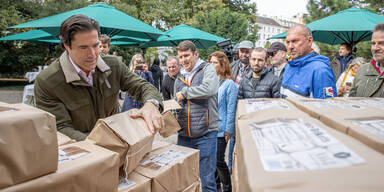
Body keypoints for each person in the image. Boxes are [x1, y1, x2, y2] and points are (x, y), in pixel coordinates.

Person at [34, 15, 163, 141]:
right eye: (83, 47)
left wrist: (152, 104)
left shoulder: (114, 65)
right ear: (67, 46)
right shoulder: (47, 81)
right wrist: (103, 145)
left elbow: (143, 87)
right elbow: (60, 128)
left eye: (96, 45)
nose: (92, 54)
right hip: (80, 153)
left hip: (116, 143)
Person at [174, 40, 219, 192]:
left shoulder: (208, 69)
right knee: (185, 180)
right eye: (180, 57)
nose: (183, 60)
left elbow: (210, 89)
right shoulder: (179, 76)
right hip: (184, 136)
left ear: (196, 54)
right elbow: (176, 103)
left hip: (205, 134)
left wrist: (185, 93)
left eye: (186, 55)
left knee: (207, 181)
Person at [281, 24, 336, 99]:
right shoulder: (289, 65)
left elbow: (327, 107)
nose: (290, 46)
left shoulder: (320, 70)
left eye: (295, 41)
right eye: (287, 42)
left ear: (309, 41)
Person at [208, 51, 237, 192]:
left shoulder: (229, 84)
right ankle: (216, 186)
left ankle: (227, 188)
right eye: (210, 62)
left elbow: (231, 108)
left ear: (222, 64)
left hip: (222, 129)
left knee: (219, 160)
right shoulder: (211, 82)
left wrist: (229, 130)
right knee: (211, 161)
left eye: (214, 62)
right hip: (210, 128)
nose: (211, 65)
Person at [350, 23, 384, 97]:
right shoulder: (362, 70)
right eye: (373, 43)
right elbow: (351, 101)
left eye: (381, 43)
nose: (375, 48)